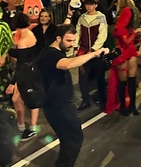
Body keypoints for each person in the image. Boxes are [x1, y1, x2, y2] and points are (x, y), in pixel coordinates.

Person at [38, 25, 109, 167]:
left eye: (73, 41)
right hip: (58, 107)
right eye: (69, 41)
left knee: (69, 140)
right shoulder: (51, 55)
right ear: (58, 39)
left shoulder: (54, 50)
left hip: (60, 104)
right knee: (73, 139)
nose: (72, 44)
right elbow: (68, 64)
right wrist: (94, 53)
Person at [106, 0, 141, 116]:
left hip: (123, 50)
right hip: (126, 50)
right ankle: (131, 106)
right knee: (128, 81)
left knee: (125, 81)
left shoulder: (118, 17)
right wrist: (136, 33)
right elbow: (126, 40)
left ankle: (126, 107)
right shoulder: (126, 18)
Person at [8, 13, 40, 141]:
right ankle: (24, 126)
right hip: (32, 69)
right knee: (20, 98)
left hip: (26, 72)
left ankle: (30, 126)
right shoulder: (29, 33)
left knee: (22, 98)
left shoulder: (22, 40)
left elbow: (21, 62)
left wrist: (12, 82)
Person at [75, 0, 108, 111]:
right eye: (87, 4)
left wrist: (93, 50)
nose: (88, 7)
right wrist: (75, 47)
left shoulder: (101, 18)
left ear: (95, 5)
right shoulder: (82, 18)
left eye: (91, 4)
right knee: (82, 78)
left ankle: (103, 99)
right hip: (83, 52)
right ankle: (85, 100)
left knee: (100, 77)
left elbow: (102, 36)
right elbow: (78, 32)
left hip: (97, 53)